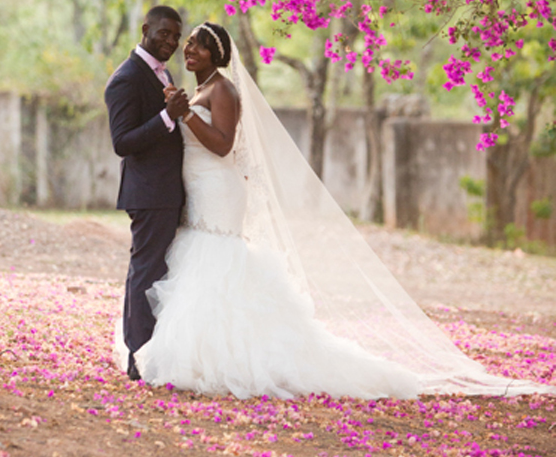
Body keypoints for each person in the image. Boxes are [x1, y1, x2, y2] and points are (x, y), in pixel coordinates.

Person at [117, 21, 552, 400]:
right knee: (194, 260)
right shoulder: (198, 89)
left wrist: (186, 117)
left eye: (196, 43)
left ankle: (221, 356)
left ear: (216, 52)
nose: (187, 49)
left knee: (217, 260)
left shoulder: (223, 89)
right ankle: (192, 348)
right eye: (186, 43)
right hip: (197, 189)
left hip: (218, 191)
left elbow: (224, 144)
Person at [104, 5, 189, 381]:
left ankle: (142, 353)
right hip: (149, 193)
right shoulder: (126, 78)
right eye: (164, 34)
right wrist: (168, 117)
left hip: (164, 191)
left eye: (176, 36)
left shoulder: (160, 71)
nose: (170, 41)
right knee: (145, 276)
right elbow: (122, 142)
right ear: (145, 30)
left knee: (147, 273)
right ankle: (139, 360)